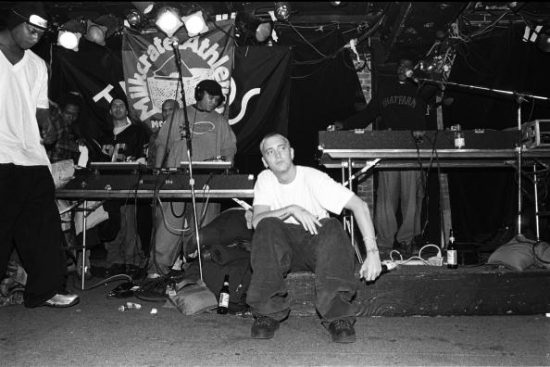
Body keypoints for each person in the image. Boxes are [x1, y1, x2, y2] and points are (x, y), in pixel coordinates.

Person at [247, 133, 382, 343]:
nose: (277, 155)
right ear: (265, 161)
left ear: (291, 152)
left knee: (332, 226)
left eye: (281, 148)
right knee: (267, 225)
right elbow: (256, 221)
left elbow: (359, 205)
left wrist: (372, 253)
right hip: (282, 248)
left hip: (316, 246)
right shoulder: (265, 179)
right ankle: (267, 314)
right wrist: (292, 209)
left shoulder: (313, 177)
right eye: (270, 152)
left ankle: (338, 317)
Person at [0, 3, 79, 308]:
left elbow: (40, 109)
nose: (35, 37)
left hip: (32, 157)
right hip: (1, 155)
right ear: (13, 21)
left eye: (40, 33)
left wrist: (48, 127)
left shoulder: (36, 64)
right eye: (31, 30)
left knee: (42, 230)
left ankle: (44, 290)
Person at [334, 58, 437, 254]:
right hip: (389, 147)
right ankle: (385, 242)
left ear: (412, 70)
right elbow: (370, 113)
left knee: (411, 197)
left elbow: (430, 107)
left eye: (406, 65)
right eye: (399, 65)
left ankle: (408, 239)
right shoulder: (386, 88)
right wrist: (346, 124)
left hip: (412, 149)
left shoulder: (420, 89)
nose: (402, 68)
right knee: (385, 198)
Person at [148, 80, 237, 279]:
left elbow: (229, 150)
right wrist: (157, 172)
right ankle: (157, 273)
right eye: (210, 97)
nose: (214, 102)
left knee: (205, 232)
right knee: (167, 230)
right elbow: (162, 144)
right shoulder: (179, 116)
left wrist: (226, 173)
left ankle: (199, 275)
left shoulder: (220, 121)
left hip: (207, 181)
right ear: (199, 94)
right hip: (176, 178)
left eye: (217, 99)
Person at [96, 98, 150, 277]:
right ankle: (114, 261)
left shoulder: (137, 131)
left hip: (128, 182)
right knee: (111, 221)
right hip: (107, 185)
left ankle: (132, 261)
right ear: (110, 111)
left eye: (121, 106)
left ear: (127, 111)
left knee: (129, 222)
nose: (118, 108)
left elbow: (144, 156)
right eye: (114, 106)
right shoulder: (103, 134)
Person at [42, 92, 84, 164]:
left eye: (74, 114)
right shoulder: (57, 123)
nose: (71, 117)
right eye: (68, 113)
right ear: (61, 111)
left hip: (64, 171)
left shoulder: (76, 130)